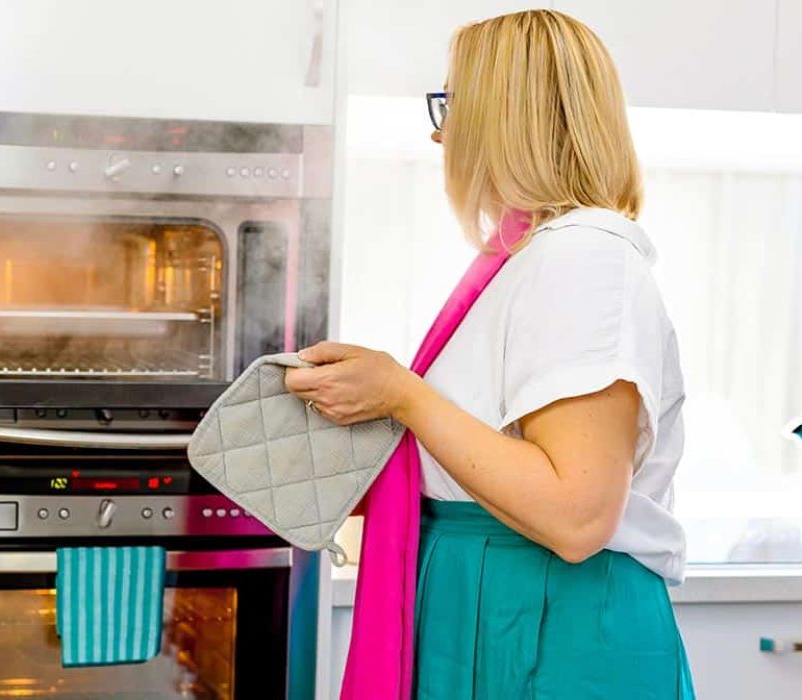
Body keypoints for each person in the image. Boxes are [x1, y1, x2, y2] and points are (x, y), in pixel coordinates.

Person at [286, 9, 695, 699]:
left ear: (506, 119)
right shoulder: (536, 258)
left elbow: (576, 516)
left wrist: (402, 395)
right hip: (501, 603)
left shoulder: (584, 258)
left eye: (451, 106)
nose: (438, 133)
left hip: (544, 620)